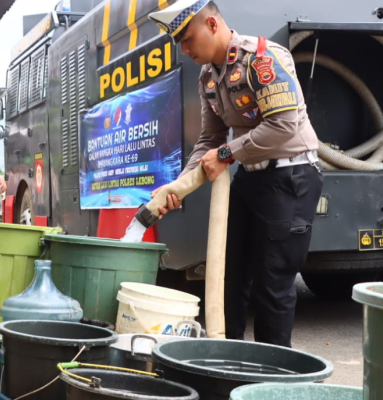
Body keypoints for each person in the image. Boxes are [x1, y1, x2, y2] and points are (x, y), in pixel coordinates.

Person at [148, 0, 322, 347]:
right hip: (251, 179)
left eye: (186, 37)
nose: (183, 48)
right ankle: (228, 365)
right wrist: (179, 188)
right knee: (229, 278)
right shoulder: (208, 78)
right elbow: (209, 140)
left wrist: (227, 153)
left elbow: (283, 125)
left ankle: (270, 380)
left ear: (212, 25)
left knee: (271, 287)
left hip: (290, 178)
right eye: (177, 41)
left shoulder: (261, 58)